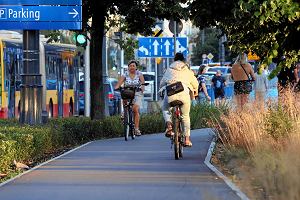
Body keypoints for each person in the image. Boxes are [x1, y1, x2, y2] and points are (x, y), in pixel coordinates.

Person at [159, 53, 198, 147]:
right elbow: (195, 84)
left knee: (165, 109)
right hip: (184, 92)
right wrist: (195, 91)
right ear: (183, 60)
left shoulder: (169, 69)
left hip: (170, 93)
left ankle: (169, 127)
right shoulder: (187, 70)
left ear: (174, 60)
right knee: (185, 116)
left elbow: (162, 83)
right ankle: (187, 140)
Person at [114, 60, 145, 136]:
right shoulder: (125, 74)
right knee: (124, 97)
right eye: (130, 66)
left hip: (137, 92)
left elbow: (143, 84)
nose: (132, 67)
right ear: (128, 67)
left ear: (136, 67)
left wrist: (142, 89)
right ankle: (124, 113)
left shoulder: (139, 74)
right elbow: (119, 84)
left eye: (133, 66)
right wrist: (117, 88)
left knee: (135, 109)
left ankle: (136, 129)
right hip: (127, 92)